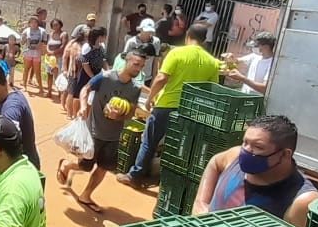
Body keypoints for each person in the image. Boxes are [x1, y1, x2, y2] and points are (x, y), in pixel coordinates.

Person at [122, 23, 220, 189]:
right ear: (204, 41)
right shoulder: (212, 62)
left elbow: (161, 78)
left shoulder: (177, 53)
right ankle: (164, 180)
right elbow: (211, 90)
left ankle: (135, 176)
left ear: (187, 35)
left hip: (166, 105)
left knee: (149, 141)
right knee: (176, 145)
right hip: (189, 110)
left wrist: (150, 98)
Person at [193, 115, 318, 227]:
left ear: (284, 154)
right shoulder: (234, 156)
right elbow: (215, 162)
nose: (247, 151)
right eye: (245, 142)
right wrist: (201, 203)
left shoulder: (301, 201)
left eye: (258, 147)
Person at [58, 52, 147, 212]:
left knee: (103, 167)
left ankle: (86, 195)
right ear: (126, 61)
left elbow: (131, 113)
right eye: (136, 64)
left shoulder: (135, 88)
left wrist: (119, 115)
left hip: (113, 136)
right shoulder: (105, 77)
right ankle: (66, 165)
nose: (138, 68)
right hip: (94, 131)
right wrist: (84, 106)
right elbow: (85, 89)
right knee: (85, 166)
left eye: (141, 66)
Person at [72, 26, 108, 106]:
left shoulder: (102, 47)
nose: (105, 38)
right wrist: (92, 77)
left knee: (91, 95)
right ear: (99, 37)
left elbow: (104, 61)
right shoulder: (87, 47)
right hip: (86, 74)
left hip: (97, 73)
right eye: (104, 36)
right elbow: (85, 65)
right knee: (79, 93)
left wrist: (108, 72)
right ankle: (74, 115)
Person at [21, 15, 46, 94]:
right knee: (26, 69)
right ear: (29, 23)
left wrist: (41, 46)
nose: (34, 24)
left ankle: (41, 88)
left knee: (37, 71)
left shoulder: (42, 31)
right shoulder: (26, 31)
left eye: (35, 22)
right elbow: (22, 43)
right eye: (32, 22)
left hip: (37, 53)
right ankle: (24, 85)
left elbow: (45, 42)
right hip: (28, 52)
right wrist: (24, 39)